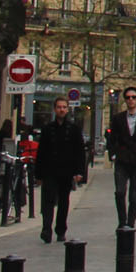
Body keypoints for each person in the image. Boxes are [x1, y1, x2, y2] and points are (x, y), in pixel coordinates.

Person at [33, 95, 88, 243]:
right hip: (50, 171)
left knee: (64, 202)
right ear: (55, 109)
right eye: (59, 107)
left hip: (66, 171)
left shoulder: (74, 129)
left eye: (64, 107)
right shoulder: (47, 129)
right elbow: (41, 153)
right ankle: (46, 229)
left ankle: (61, 229)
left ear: (67, 109)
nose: (62, 110)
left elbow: (79, 152)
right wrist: (38, 175)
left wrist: (79, 172)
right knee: (48, 202)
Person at [103, 86, 136, 229]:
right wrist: (113, 155)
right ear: (125, 100)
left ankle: (130, 223)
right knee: (120, 192)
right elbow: (112, 139)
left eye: (133, 97)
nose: (131, 100)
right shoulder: (118, 118)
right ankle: (122, 222)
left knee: (134, 196)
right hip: (122, 160)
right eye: (128, 97)